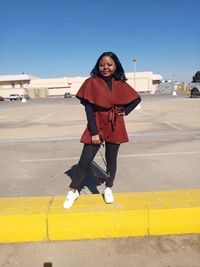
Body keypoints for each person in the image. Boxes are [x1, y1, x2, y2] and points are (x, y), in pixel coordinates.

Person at [63, 51, 141, 209]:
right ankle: (73, 190)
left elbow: (136, 98)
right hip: (96, 123)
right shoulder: (91, 82)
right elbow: (88, 110)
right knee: (85, 160)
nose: (105, 67)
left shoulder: (120, 83)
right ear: (97, 66)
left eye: (109, 64)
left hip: (115, 124)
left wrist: (123, 111)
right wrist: (94, 132)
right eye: (102, 64)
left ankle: (108, 188)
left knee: (112, 160)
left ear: (115, 66)